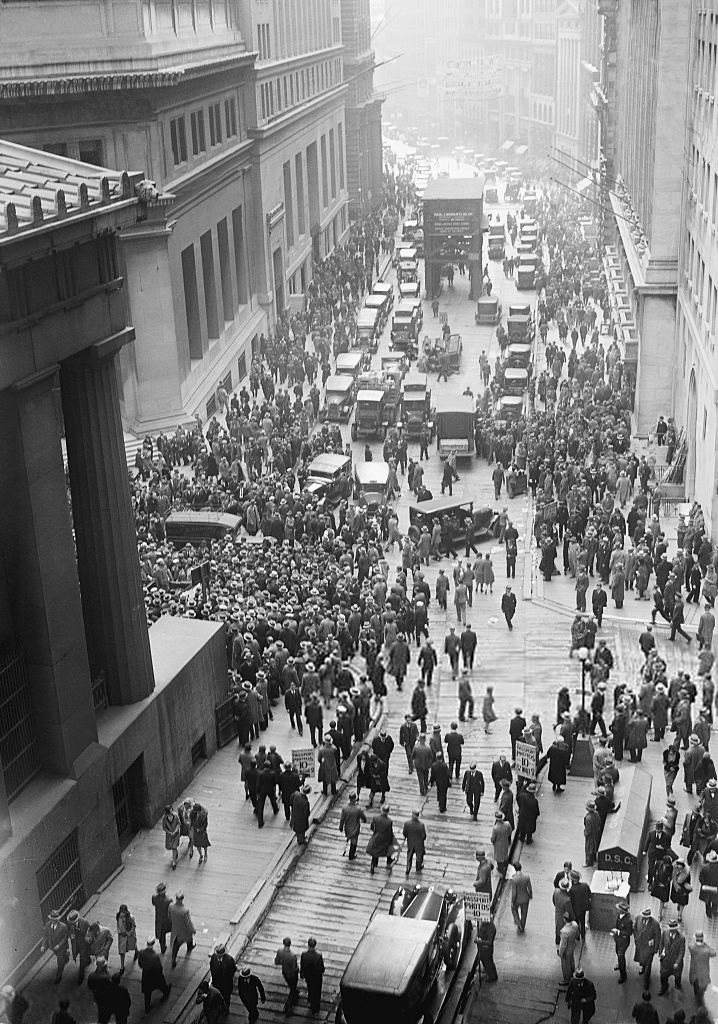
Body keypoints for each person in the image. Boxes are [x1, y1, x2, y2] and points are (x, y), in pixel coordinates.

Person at [137, 937, 171, 1014]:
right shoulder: (155, 956)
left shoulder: (141, 953)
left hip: (146, 975)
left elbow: (140, 964)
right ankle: (166, 993)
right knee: (161, 984)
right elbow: (159, 968)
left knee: (147, 993)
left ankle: (147, 1008)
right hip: (155, 975)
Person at [634, 907, 662, 990]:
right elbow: (635, 928)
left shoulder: (655, 924)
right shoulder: (638, 918)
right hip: (640, 945)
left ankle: (646, 981)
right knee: (642, 960)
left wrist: (656, 948)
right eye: (643, 916)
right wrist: (636, 938)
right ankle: (642, 967)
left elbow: (658, 936)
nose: (644, 918)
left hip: (649, 948)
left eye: (646, 917)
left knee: (648, 964)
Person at [41, 909, 69, 984]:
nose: (53, 921)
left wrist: (59, 945)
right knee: (60, 956)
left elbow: (65, 937)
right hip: (52, 947)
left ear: (58, 919)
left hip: (61, 947)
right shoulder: (47, 925)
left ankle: (58, 977)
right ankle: (66, 956)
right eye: (52, 919)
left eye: (55, 919)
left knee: (60, 962)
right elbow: (45, 935)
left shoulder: (63, 926)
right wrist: (43, 945)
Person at [169, 892, 196, 969]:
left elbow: (169, 916)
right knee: (189, 938)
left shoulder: (171, 907)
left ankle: (173, 959)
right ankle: (189, 947)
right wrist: (193, 930)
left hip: (175, 929)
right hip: (184, 930)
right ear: (182, 899)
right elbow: (188, 923)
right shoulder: (185, 911)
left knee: (176, 945)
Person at [658, 918, 685, 994]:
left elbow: (681, 951)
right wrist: (660, 953)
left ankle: (677, 985)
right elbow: (661, 943)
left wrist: (677, 962)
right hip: (666, 960)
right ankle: (664, 987)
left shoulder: (681, 938)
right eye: (671, 929)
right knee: (663, 975)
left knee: (677, 976)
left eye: (674, 929)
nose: (672, 930)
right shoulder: (665, 933)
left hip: (675, 962)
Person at [366, 804, 395, 875]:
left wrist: (376, 832)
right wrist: (390, 839)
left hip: (377, 836)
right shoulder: (389, 821)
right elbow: (390, 831)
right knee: (388, 849)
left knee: (375, 851)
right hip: (385, 837)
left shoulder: (375, 818)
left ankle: (373, 865)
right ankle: (389, 860)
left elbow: (372, 827)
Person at [688, 931, 716, 1004]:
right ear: (702, 938)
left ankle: (697, 995)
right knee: (703, 986)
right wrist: (705, 945)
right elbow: (714, 953)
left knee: (695, 985)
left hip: (694, 972)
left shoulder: (691, 947)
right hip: (703, 972)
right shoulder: (707, 950)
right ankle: (700, 996)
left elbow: (690, 944)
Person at [300, 937, 325, 1016]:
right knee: (317, 992)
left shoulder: (304, 955)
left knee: (310, 988)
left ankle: (310, 1000)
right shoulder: (318, 956)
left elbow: (302, 966)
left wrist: (302, 974)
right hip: (317, 978)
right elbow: (322, 968)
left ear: (308, 945)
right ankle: (316, 1008)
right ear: (315, 945)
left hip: (308, 977)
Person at [275, 937, 300, 1014]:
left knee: (292, 987)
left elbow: (276, 962)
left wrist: (284, 963)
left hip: (285, 973)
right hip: (292, 975)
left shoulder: (279, 952)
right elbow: (294, 968)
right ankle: (288, 1006)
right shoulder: (293, 956)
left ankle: (295, 993)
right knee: (292, 989)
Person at [209, 942, 237, 1010]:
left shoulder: (229, 960)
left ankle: (226, 1009)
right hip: (216, 983)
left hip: (226, 984)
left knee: (226, 998)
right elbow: (212, 967)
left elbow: (232, 970)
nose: (218, 956)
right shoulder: (213, 957)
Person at [612, 901, 633, 983]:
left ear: (622, 911)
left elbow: (629, 933)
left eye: (618, 909)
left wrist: (618, 932)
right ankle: (619, 965)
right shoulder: (619, 916)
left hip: (624, 942)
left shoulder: (628, 921)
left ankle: (623, 976)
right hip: (618, 939)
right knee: (617, 952)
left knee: (621, 956)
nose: (616, 910)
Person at [509, 861, 533, 932]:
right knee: (524, 913)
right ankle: (522, 926)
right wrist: (530, 896)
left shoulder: (514, 879)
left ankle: (518, 922)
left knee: (514, 909)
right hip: (525, 898)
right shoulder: (526, 877)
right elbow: (530, 888)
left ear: (515, 869)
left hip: (517, 899)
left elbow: (514, 892)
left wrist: (512, 901)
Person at [569, 871, 592, 941]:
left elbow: (571, 901)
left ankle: (577, 937)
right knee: (582, 921)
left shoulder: (572, 890)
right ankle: (583, 936)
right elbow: (589, 894)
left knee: (576, 923)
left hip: (576, 910)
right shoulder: (585, 885)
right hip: (583, 909)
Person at [403, 809, 426, 876]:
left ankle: (408, 868)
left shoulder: (407, 823)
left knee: (409, 856)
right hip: (419, 844)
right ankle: (418, 867)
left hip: (410, 843)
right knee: (419, 856)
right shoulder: (421, 825)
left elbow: (405, 833)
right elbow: (424, 836)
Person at [558, 913, 580, 985]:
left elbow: (563, 944)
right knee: (571, 961)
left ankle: (566, 979)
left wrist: (560, 953)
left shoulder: (564, 931)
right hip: (572, 945)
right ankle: (573, 973)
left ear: (564, 919)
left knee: (565, 965)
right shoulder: (575, 924)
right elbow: (577, 934)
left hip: (566, 950)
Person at [115, 904, 137, 975]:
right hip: (122, 937)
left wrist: (127, 933)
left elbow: (133, 927)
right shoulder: (118, 916)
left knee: (133, 945)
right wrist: (120, 932)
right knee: (122, 951)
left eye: (123, 912)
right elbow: (118, 926)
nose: (122, 914)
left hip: (130, 936)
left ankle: (137, 952)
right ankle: (122, 967)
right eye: (121, 912)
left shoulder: (131, 917)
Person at [152, 883, 172, 954]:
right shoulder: (169, 900)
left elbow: (153, 903)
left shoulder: (154, 897)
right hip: (167, 919)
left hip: (158, 919)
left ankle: (162, 947)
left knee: (161, 934)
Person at [491, 811, 512, 875]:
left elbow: (492, 839)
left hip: (498, 845)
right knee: (505, 854)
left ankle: (501, 870)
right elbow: (509, 833)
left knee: (499, 858)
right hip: (505, 842)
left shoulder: (495, 828)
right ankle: (505, 866)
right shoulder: (507, 824)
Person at [162, 804, 181, 870]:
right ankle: (176, 853)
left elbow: (178, 823)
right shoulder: (164, 818)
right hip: (169, 835)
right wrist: (169, 832)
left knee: (174, 847)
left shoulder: (175, 816)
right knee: (171, 847)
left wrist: (175, 831)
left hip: (176, 834)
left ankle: (174, 862)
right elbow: (164, 827)